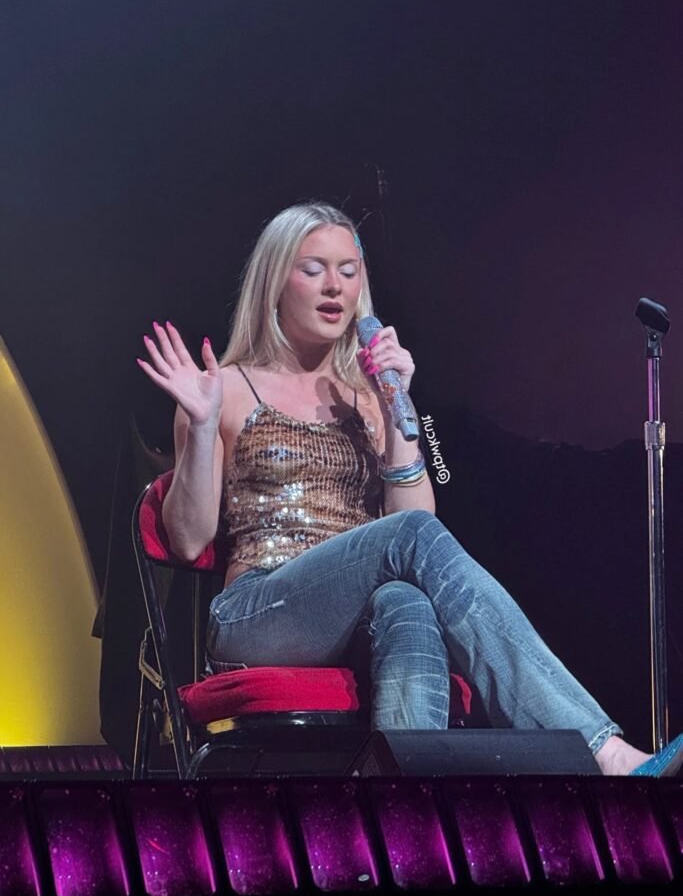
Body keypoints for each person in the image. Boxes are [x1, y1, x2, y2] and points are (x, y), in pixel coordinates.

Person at [137, 201, 682, 777]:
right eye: (314, 268)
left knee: (409, 603)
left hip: (352, 610)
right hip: (258, 612)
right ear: (274, 281)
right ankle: (605, 751)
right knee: (412, 543)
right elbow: (186, 537)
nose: (334, 287)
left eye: (349, 271)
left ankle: (402, 824)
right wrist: (200, 425)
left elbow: (418, 511)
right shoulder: (222, 387)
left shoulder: (370, 395)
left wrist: (398, 400)